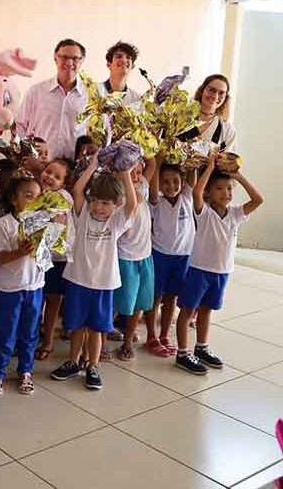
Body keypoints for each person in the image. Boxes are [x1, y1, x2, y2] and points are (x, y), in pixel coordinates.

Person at [50, 157, 137, 390]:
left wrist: (126, 172)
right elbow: (78, 189)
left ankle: (93, 365)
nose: (99, 207)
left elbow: (132, 206)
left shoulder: (117, 222)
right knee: (77, 325)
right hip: (78, 280)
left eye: (106, 203)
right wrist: (93, 165)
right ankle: (73, 361)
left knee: (97, 328)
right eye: (96, 201)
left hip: (103, 284)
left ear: (116, 204)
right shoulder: (83, 216)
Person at [174, 157, 262, 375]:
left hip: (221, 272)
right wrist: (210, 168)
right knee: (188, 311)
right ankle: (182, 353)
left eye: (229, 188)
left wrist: (237, 175)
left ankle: (201, 347)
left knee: (206, 311)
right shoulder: (204, 213)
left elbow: (258, 199)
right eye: (220, 188)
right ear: (209, 193)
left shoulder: (235, 214)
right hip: (199, 270)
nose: (226, 193)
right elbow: (196, 193)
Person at [0, 173, 43, 396]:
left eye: (38, 197)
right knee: (6, 332)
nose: (33, 200)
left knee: (30, 332)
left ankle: (25, 371)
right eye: (28, 195)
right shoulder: (3, 225)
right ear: (14, 198)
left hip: (35, 286)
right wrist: (19, 252)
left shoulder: (43, 222)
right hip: (10, 288)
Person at [144, 160, 195, 358]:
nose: (171, 186)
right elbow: (155, 183)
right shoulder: (156, 201)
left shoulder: (188, 197)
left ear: (182, 182)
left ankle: (165, 335)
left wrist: (191, 156)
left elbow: (191, 173)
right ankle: (151, 336)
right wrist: (157, 158)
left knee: (171, 297)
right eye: (165, 182)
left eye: (175, 181)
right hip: (160, 255)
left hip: (183, 257)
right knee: (155, 297)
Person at [111, 160, 156, 361]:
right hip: (125, 258)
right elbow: (132, 202)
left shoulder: (142, 188)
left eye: (138, 172)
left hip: (145, 257)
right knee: (116, 304)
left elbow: (153, 164)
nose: (136, 176)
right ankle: (100, 341)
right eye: (131, 173)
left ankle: (127, 340)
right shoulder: (117, 196)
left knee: (138, 304)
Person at [16, 39, 88, 161]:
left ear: (81, 61)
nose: (69, 62)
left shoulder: (90, 96)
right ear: (55, 58)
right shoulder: (36, 91)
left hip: (74, 167)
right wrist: (28, 153)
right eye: (64, 57)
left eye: (75, 58)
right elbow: (20, 125)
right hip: (40, 164)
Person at [35, 158, 74, 361]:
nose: (50, 177)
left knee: (53, 301)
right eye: (48, 171)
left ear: (64, 184)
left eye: (57, 176)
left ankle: (48, 339)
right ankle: (33, 337)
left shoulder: (63, 197)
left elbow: (54, 228)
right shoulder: (36, 191)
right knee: (37, 299)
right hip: (38, 256)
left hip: (58, 259)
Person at [180, 74, 237, 151]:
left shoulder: (228, 130)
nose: (215, 96)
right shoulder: (180, 117)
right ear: (202, 91)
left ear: (225, 98)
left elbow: (227, 160)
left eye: (221, 93)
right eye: (212, 90)